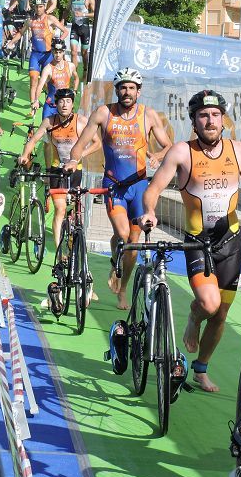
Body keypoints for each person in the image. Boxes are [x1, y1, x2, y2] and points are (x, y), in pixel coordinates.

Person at [139, 90, 241, 392]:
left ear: (224, 120)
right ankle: (194, 315)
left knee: (221, 314)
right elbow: (153, 190)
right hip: (198, 243)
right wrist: (149, 212)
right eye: (203, 116)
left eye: (215, 115)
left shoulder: (240, 150)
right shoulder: (182, 152)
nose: (210, 120)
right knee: (209, 304)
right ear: (194, 121)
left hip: (231, 242)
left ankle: (201, 369)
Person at [64, 67, 172, 309]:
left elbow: (168, 146)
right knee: (123, 235)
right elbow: (79, 145)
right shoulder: (103, 113)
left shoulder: (149, 115)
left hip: (140, 186)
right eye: (123, 87)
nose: (127, 92)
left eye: (131, 88)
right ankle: (116, 261)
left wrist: (158, 154)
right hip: (114, 186)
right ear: (117, 90)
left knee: (134, 241)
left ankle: (122, 287)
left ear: (138, 92)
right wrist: (73, 160)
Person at [18, 87, 100, 248]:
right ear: (56, 104)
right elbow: (34, 140)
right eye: (61, 101)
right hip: (57, 170)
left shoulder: (81, 121)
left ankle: (73, 236)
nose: (64, 104)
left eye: (68, 101)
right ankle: (58, 250)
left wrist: (80, 155)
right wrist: (25, 155)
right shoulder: (49, 121)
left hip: (76, 170)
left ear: (72, 104)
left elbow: (97, 143)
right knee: (60, 209)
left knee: (73, 209)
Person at [6, 0, 69, 113]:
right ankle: (33, 106)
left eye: (40, 6)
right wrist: (11, 42)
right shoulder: (31, 21)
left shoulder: (50, 19)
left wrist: (58, 41)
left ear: (44, 7)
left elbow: (65, 31)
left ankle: (52, 103)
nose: (38, 9)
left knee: (50, 82)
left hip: (48, 55)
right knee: (33, 79)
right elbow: (21, 33)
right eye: (36, 6)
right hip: (35, 54)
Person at [34, 40, 79, 120]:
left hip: (64, 107)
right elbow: (40, 86)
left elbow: (76, 78)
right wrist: (36, 100)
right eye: (55, 52)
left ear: (64, 52)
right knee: (47, 130)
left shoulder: (70, 66)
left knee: (64, 130)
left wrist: (74, 90)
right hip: (51, 106)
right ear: (52, 52)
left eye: (60, 52)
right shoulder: (47, 69)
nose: (57, 55)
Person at [65, 0, 94, 72]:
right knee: (73, 52)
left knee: (84, 52)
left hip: (84, 28)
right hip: (75, 28)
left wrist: (83, 14)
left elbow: (96, 14)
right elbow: (66, 10)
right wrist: (61, 22)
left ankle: (85, 70)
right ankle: (75, 73)